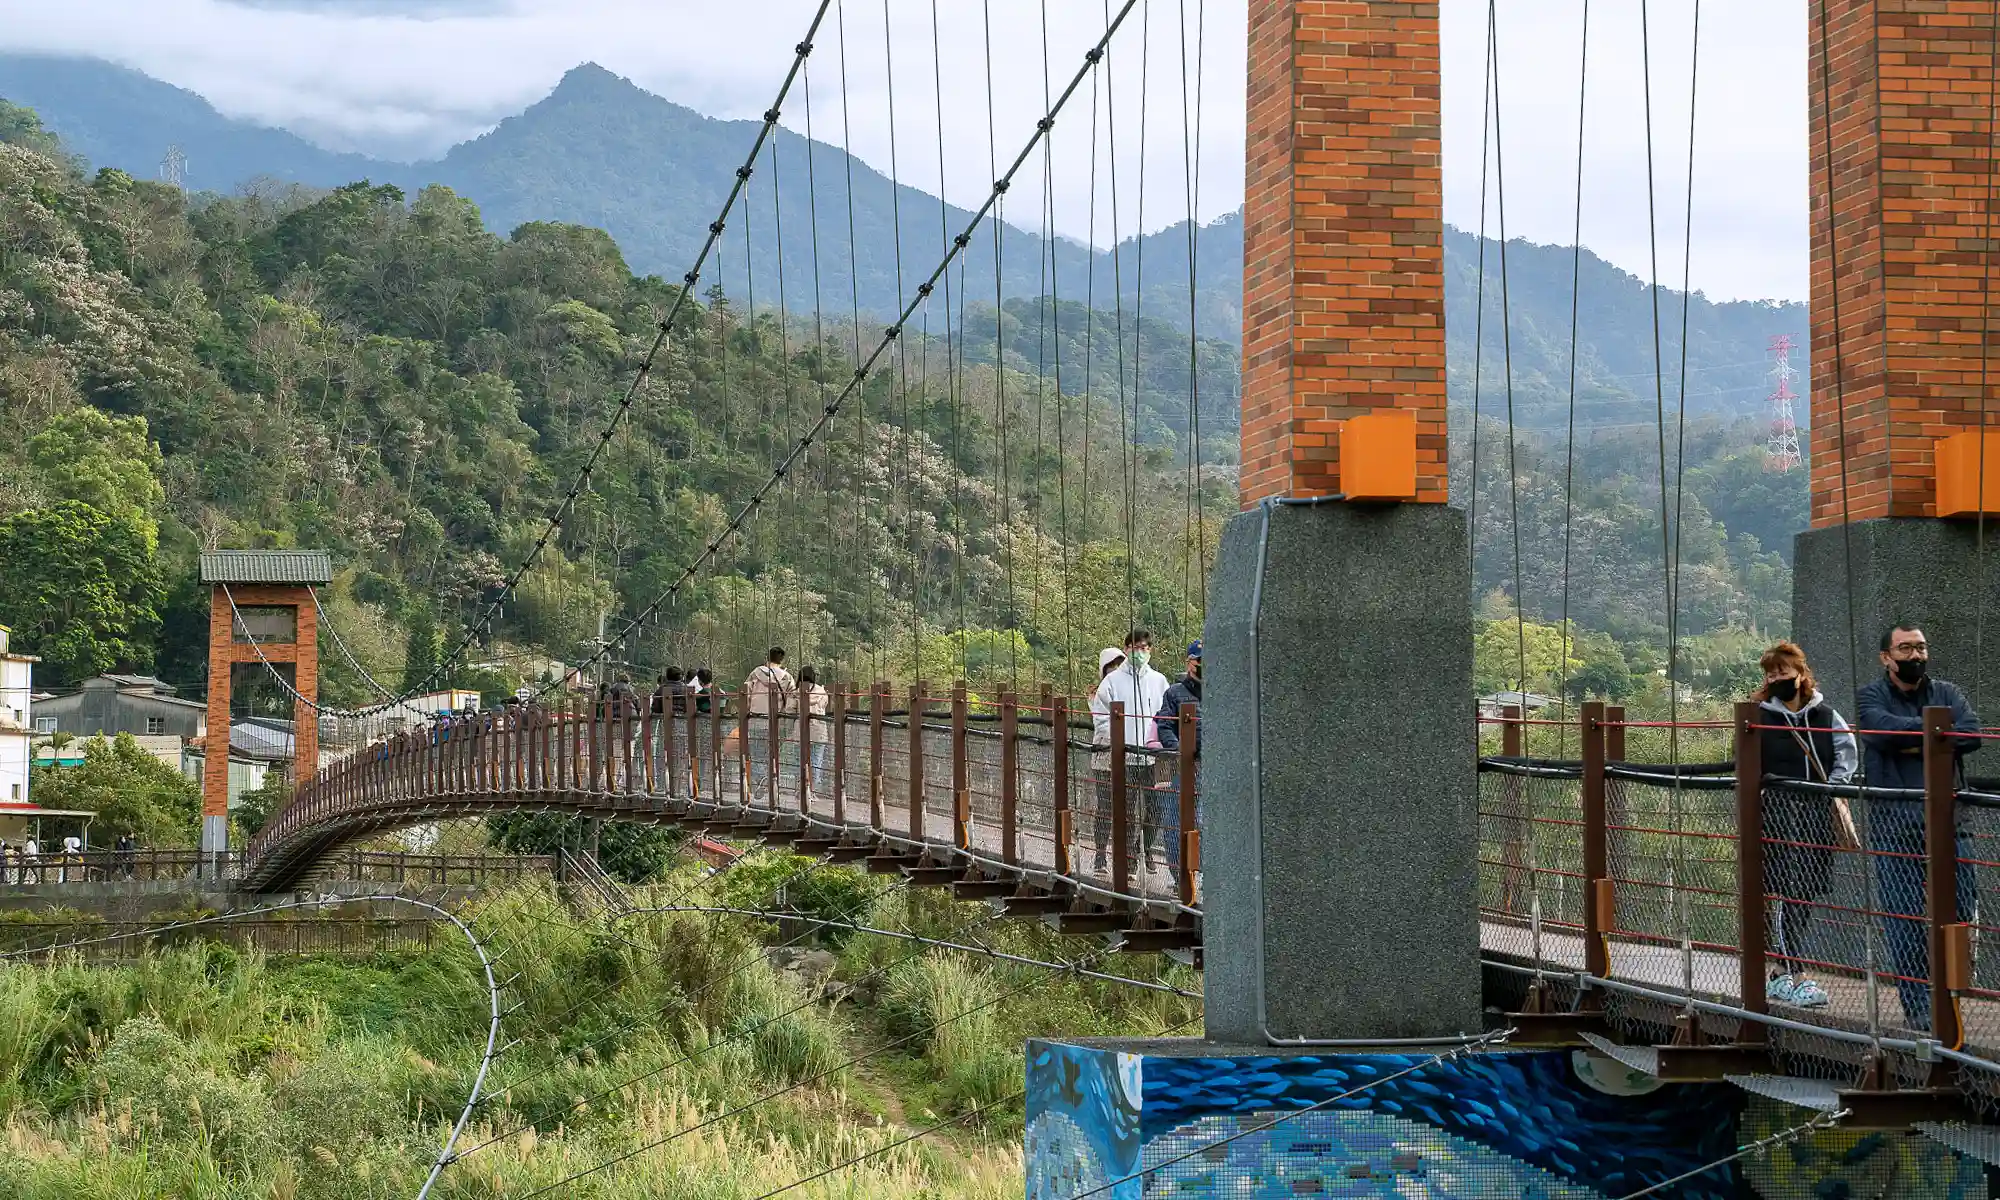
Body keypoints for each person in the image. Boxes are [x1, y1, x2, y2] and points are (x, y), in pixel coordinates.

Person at [1855, 623, 1982, 1032]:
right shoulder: (1870, 696)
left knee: (1961, 913)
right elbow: (1878, 731)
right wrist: (1938, 735)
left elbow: (1972, 734)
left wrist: (1914, 739)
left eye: (1921, 647)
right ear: (1886, 657)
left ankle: (1954, 998)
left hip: (1949, 823)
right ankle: (1918, 1007)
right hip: (1896, 823)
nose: (1915, 655)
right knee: (1905, 919)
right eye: (1905, 648)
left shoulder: (1947, 692)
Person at [1752, 641, 1858, 1011]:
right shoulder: (1758, 716)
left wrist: (1835, 785)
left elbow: (1846, 751)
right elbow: (1744, 759)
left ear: (1800, 673)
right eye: (1771, 673)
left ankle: (1780, 971)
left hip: (1815, 815)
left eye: (1783, 671)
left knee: (1806, 890)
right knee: (1787, 888)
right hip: (1777, 814)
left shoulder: (1825, 715)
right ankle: (1796, 974)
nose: (1777, 678)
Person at [1097, 629, 1172, 875]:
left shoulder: (1159, 681)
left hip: (1154, 758)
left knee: (1158, 808)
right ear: (1126, 648)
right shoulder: (1111, 682)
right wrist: (1118, 742)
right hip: (1125, 757)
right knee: (1126, 811)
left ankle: (1145, 847)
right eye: (1135, 647)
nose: (1140, 652)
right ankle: (1128, 861)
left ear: (1150, 650)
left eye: (1145, 648)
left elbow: (1166, 717)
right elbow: (1101, 717)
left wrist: (1163, 744)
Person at [1154, 640, 1203, 883]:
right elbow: (1164, 727)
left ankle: (1203, 880)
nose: (1204, 666)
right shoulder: (1174, 693)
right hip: (1186, 768)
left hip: (1217, 770)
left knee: (1206, 824)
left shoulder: (1224, 693)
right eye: (1200, 661)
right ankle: (1180, 878)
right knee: (1176, 823)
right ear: (1189, 663)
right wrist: (1180, 751)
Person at [1087, 646, 1126, 873]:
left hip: (1127, 753)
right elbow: (1100, 720)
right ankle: (1100, 855)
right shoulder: (1097, 693)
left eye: (1119, 665)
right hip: (1104, 753)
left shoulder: (1130, 688)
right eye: (1112, 666)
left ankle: (1129, 858)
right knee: (1105, 805)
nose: (1116, 670)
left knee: (1128, 807)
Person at [744, 648, 796, 802]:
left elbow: (746, 693)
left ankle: (759, 780)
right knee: (772, 754)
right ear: (782, 660)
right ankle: (769, 781)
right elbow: (792, 701)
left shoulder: (755, 673)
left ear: (767, 658)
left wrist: (748, 710)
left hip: (756, 720)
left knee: (757, 753)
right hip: (776, 723)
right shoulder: (787, 677)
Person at [798, 665, 832, 802]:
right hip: (819, 732)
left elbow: (789, 709)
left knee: (801, 762)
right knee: (816, 762)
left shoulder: (796, 691)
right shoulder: (821, 691)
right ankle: (811, 792)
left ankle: (800, 791)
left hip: (800, 732)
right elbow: (824, 706)